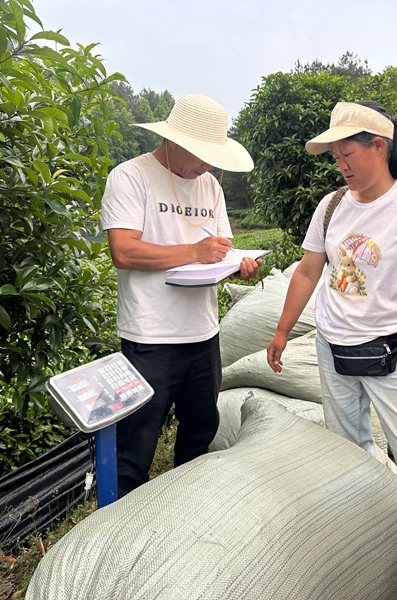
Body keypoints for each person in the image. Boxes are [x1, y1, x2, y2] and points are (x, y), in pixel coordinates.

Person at [266, 101, 397, 600]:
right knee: (350, 452)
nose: (341, 164)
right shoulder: (332, 206)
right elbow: (307, 271)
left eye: (348, 153)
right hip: (331, 345)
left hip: (394, 348)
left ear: (378, 147)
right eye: (335, 156)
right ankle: (373, 543)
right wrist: (281, 332)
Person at [101, 94, 261, 498]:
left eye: (213, 156)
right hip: (150, 335)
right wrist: (192, 252)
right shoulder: (130, 176)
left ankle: (182, 507)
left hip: (203, 332)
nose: (207, 164)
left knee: (200, 430)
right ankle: (122, 521)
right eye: (201, 154)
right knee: (136, 439)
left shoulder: (210, 185)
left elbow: (219, 247)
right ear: (172, 141)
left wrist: (236, 263)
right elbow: (123, 251)